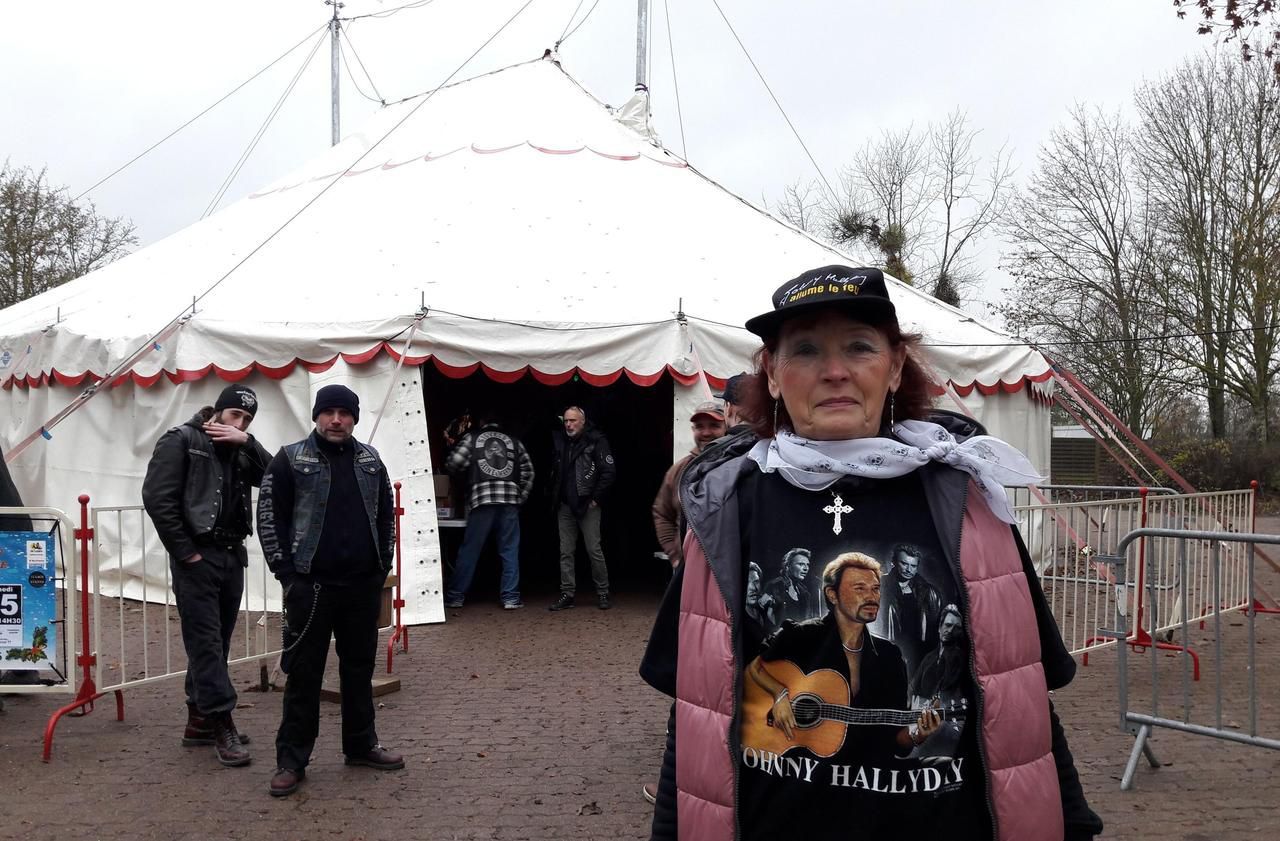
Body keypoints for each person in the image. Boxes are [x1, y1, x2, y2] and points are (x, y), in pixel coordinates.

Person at [639, 265, 1102, 841]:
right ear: (773, 377)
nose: (835, 372)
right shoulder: (726, 508)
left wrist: (1073, 821)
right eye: (804, 351)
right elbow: (696, 711)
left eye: (859, 347)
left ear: (896, 366)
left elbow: (1018, 694)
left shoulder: (968, 499)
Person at [257, 384, 403, 797]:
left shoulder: (370, 460)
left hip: (361, 585)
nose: (336, 420)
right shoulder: (289, 459)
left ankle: (360, 745)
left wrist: (381, 568)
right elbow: (270, 518)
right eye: (329, 412)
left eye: (344, 412)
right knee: (304, 676)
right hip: (311, 586)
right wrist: (288, 575)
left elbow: (384, 518)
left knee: (359, 671)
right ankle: (292, 760)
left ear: (354, 418)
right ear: (317, 416)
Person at [140, 384, 270, 767]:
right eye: (235, 415)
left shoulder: (241, 447)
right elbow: (158, 499)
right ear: (218, 410)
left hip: (232, 554)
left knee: (218, 642)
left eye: (247, 419)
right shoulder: (181, 439)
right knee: (207, 644)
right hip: (198, 556)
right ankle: (221, 722)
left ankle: (198, 721)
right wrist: (187, 553)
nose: (239, 422)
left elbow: (278, 476)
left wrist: (246, 441)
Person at [744, 553, 940, 759]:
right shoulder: (800, 635)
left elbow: (895, 742)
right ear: (832, 594)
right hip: (800, 768)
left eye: (875, 589)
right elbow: (752, 667)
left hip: (862, 775)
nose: (872, 597)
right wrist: (780, 695)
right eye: (860, 588)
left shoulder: (890, 656)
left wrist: (917, 735)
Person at [443, 411, 535, 609]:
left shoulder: (472, 439)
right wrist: (520, 497)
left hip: (482, 499)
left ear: (482, 421)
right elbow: (529, 471)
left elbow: (454, 464)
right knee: (509, 550)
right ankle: (510, 597)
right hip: (509, 501)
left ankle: (456, 596)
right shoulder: (514, 442)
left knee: (470, 550)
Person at [548, 406, 616, 611]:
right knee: (565, 551)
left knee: (593, 550)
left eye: (573, 421)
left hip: (588, 504)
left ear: (583, 422)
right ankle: (567, 594)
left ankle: (603, 592)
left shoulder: (596, 440)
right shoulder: (561, 441)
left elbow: (608, 472)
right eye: (566, 421)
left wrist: (595, 499)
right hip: (566, 505)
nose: (569, 424)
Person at [652, 401, 727, 567]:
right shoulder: (679, 471)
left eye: (714, 425)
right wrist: (675, 555)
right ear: (693, 430)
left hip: (728, 570)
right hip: (689, 569)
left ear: (726, 427)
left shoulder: (740, 465)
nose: (706, 432)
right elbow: (662, 513)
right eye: (700, 426)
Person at [873, 543, 944, 675]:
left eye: (913, 566)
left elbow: (938, 628)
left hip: (921, 654)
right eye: (904, 564)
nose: (908, 569)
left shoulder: (929, 592)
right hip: (891, 651)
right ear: (893, 562)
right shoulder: (878, 587)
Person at [760, 547, 814, 633]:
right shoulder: (774, 586)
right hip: (779, 641)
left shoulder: (805, 592)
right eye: (800, 564)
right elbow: (763, 617)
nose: (806, 568)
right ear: (788, 566)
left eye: (807, 565)